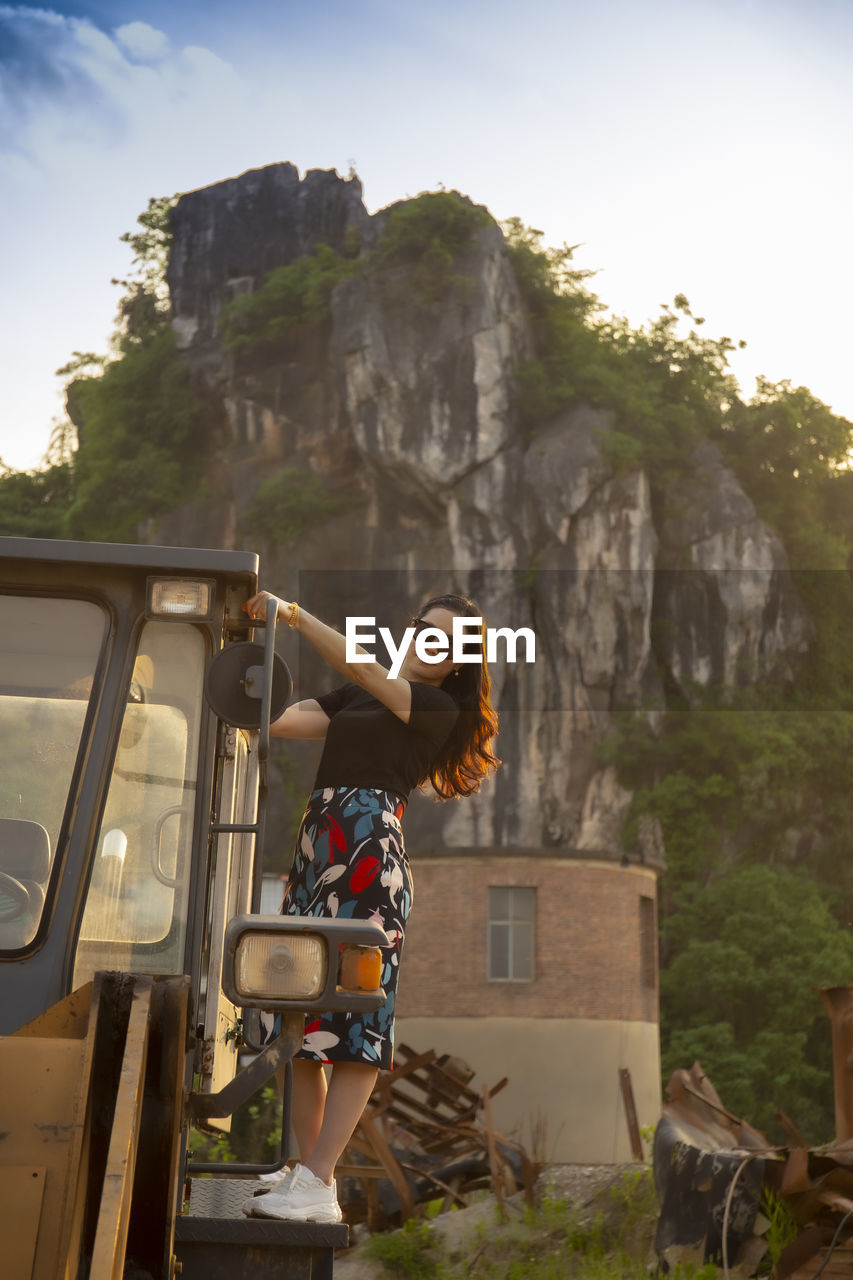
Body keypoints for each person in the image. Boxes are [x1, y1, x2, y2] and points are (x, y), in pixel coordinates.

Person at [241, 589, 499, 1223]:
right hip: (316, 853)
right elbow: (282, 719)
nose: (426, 641)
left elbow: (363, 669)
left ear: (457, 662)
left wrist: (298, 616)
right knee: (297, 1021)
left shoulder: (434, 706)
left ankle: (320, 1181)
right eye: (422, 628)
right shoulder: (361, 696)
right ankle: (306, 1171)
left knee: (356, 1029)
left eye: (444, 640)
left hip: (368, 860)